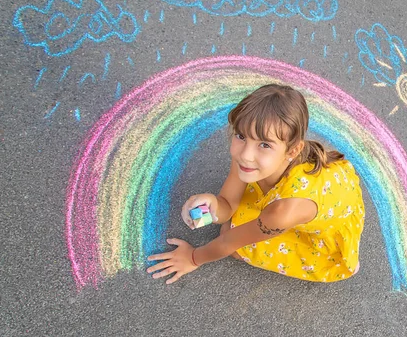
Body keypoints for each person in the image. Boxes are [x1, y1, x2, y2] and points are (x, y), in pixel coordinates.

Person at [147, 84, 365, 284]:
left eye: (264, 144)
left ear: (293, 150)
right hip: (305, 195)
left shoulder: (284, 210)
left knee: (229, 236)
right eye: (241, 136)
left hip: (323, 229)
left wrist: (193, 258)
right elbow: (227, 205)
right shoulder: (249, 158)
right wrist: (211, 202)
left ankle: (341, 257)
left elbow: (228, 243)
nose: (246, 155)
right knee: (231, 223)